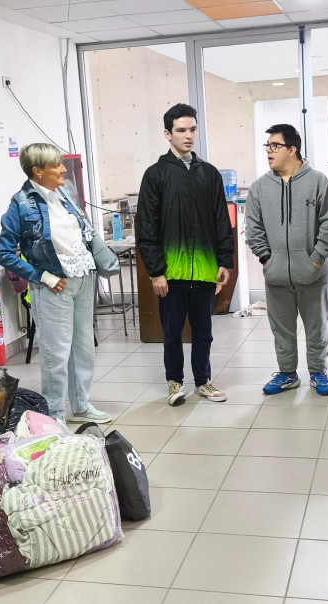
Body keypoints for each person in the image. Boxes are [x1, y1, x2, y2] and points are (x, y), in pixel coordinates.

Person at [0, 142, 112, 428]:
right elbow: (4, 252)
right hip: (53, 285)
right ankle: (55, 414)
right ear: (37, 171)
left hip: (84, 278)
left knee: (83, 347)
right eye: (56, 165)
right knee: (56, 353)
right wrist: (43, 277)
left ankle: (81, 405)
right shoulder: (20, 204)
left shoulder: (65, 194)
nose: (63, 169)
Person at [136, 103, 233, 406]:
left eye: (192, 129)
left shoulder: (210, 174)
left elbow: (221, 221)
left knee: (204, 332)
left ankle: (202, 381)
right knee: (172, 333)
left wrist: (225, 261)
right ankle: (175, 383)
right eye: (181, 130)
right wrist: (156, 271)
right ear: (168, 134)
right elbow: (146, 227)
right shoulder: (156, 175)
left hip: (204, 270)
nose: (188, 135)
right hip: (171, 274)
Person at [246, 124, 328, 396]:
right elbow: (253, 227)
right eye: (267, 146)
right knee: (282, 330)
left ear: (292, 149)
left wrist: (317, 260)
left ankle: (318, 373)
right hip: (276, 276)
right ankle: (287, 374)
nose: (268, 151)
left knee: (316, 327)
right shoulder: (260, 187)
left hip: (313, 274)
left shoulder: (318, 182)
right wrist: (266, 259)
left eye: (274, 145)